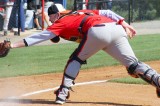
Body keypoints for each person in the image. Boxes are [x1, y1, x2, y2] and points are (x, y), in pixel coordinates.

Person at [2, 4, 160, 104]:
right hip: (116, 29)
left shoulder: (60, 22)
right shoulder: (79, 12)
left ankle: (62, 94)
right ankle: (158, 80)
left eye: (51, 17)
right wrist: (124, 23)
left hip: (98, 32)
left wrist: (13, 45)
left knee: (76, 59)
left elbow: (38, 37)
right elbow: (106, 11)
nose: (50, 20)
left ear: (56, 15)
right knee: (133, 65)